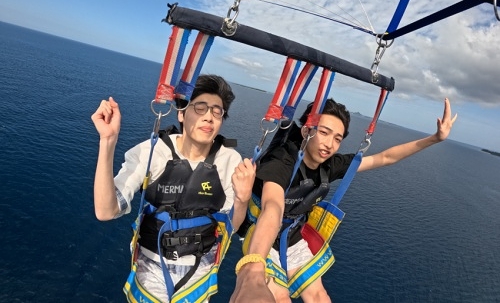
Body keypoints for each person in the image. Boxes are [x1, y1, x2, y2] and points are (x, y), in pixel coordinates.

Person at [231, 97, 457, 303]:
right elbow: (273, 207)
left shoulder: (330, 166)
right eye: (324, 132)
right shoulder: (282, 161)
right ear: (306, 130)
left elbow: (385, 158)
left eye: (337, 138)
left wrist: (435, 139)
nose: (329, 144)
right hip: (261, 232)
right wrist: (254, 268)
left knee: (320, 297)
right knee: (280, 297)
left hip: (292, 236)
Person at [91, 74, 255, 302]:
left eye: (217, 111)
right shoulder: (152, 152)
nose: (209, 117)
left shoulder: (229, 160)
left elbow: (231, 227)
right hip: (150, 266)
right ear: (181, 113)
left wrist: (243, 199)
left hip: (200, 269)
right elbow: (106, 211)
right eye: (200, 107)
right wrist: (107, 141)